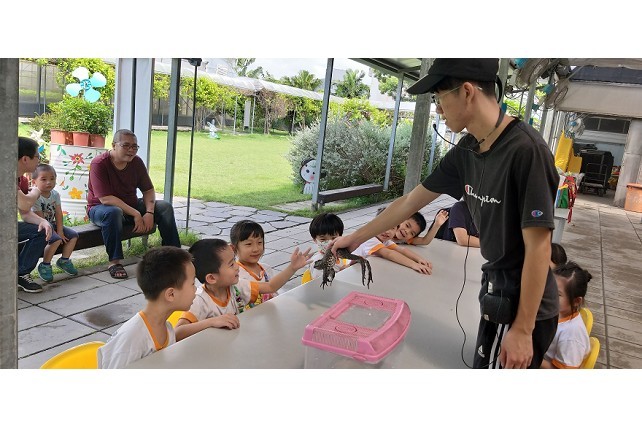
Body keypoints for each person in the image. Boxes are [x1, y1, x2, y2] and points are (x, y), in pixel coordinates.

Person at [331, 58, 560, 369]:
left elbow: (539, 247)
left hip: (524, 306)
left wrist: (522, 328)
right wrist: (357, 238)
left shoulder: (527, 151)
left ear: (466, 92)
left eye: (439, 98)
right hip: (496, 290)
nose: (438, 109)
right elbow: (409, 202)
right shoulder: (467, 149)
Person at [87, 129, 181, 279]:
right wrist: (136, 214)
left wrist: (149, 212)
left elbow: (148, 190)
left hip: (130, 206)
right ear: (114, 145)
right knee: (113, 212)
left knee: (164, 207)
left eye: (134, 147)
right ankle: (114, 262)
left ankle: (174, 256)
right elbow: (105, 199)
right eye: (126, 146)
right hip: (101, 209)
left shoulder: (136, 162)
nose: (131, 150)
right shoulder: (99, 163)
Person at [174, 239, 312, 341]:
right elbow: (177, 333)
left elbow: (270, 287)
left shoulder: (237, 286)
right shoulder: (199, 300)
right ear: (211, 278)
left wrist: (292, 268)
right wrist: (211, 322)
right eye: (231, 264)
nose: (237, 267)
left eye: (234, 261)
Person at [98, 246, 196, 369]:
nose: (196, 289)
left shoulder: (167, 328)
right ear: (171, 294)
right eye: (193, 283)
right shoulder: (131, 340)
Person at [31, 164, 79, 281]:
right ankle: (45, 265)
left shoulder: (55, 194)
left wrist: (60, 231)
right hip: (38, 225)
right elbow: (40, 218)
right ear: (34, 182)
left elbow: (58, 213)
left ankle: (64, 261)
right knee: (55, 239)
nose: (49, 182)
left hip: (51, 223)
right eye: (44, 179)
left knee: (73, 236)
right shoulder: (35, 196)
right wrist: (56, 233)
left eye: (52, 179)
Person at [17, 137, 52, 293]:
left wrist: (42, 222)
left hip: (6, 227)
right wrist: (37, 190)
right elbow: (25, 203)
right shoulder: (5, 175)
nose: (39, 160)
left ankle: (22, 273)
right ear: (25, 159)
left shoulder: (22, 181)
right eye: (37, 156)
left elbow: (25, 213)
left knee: (41, 230)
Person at [541, 261, 591, 369]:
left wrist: (532, 357)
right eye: (549, 288)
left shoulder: (572, 336)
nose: (548, 295)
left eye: (557, 294)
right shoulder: (559, 312)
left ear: (576, 301)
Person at [230, 220, 276, 309]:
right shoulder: (236, 274)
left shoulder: (266, 269)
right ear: (234, 248)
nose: (256, 249)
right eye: (249, 244)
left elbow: (274, 293)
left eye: (259, 242)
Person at [353, 224, 433, 275]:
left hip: (364, 268)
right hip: (351, 267)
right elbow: (389, 253)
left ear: (396, 230)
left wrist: (419, 259)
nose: (387, 231)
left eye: (392, 228)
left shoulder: (385, 240)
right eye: (384, 226)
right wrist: (413, 265)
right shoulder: (370, 239)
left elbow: (402, 250)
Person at [305, 213, 351, 282]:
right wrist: (342, 272)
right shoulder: (318, 261)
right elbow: (321, 284)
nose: (329, 243)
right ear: (315, 239)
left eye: (333, 238)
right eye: (323, 239)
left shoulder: (337, 255)